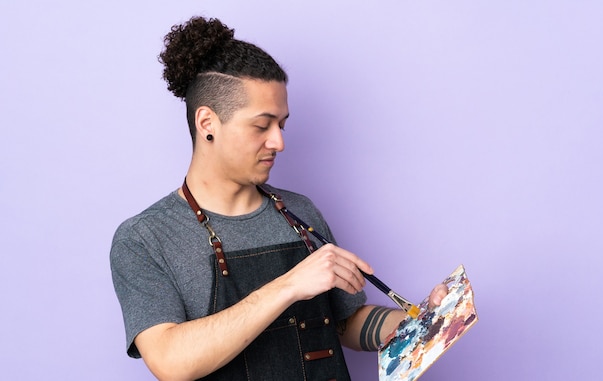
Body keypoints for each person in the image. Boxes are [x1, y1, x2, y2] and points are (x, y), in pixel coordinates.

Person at [110, 16, 448, 381]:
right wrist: (289, 285)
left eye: (282, 124)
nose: (279, 143)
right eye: (261, 126)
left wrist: (418, 321)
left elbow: (344, 322)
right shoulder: (145, 238)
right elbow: (171, 361)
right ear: (207, 123)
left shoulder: (300, 212)